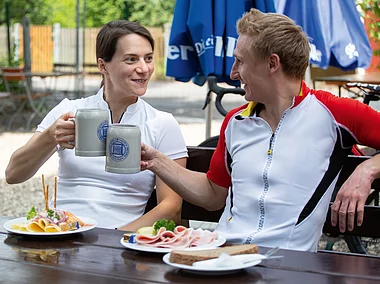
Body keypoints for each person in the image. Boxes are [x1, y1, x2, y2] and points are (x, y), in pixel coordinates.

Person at [139, 9, 380, 252]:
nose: (233, 73)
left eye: (240, 61)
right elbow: (213, 195)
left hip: (288, 265)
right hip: (223, 254)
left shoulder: (334, 113)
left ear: (272, 64)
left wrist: (367, 170)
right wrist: (156, 160)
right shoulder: (236, 121)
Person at [5, 20, 188, 231]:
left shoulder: (162, 123)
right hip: (61, 234)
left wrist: (112, 240)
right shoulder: (69, 111)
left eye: (148, 58)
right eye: (131, 59)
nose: (144, 68)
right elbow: (13, 174)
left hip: (119, 244)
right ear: (102, 66)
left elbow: (171, 208)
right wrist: (49, 137)